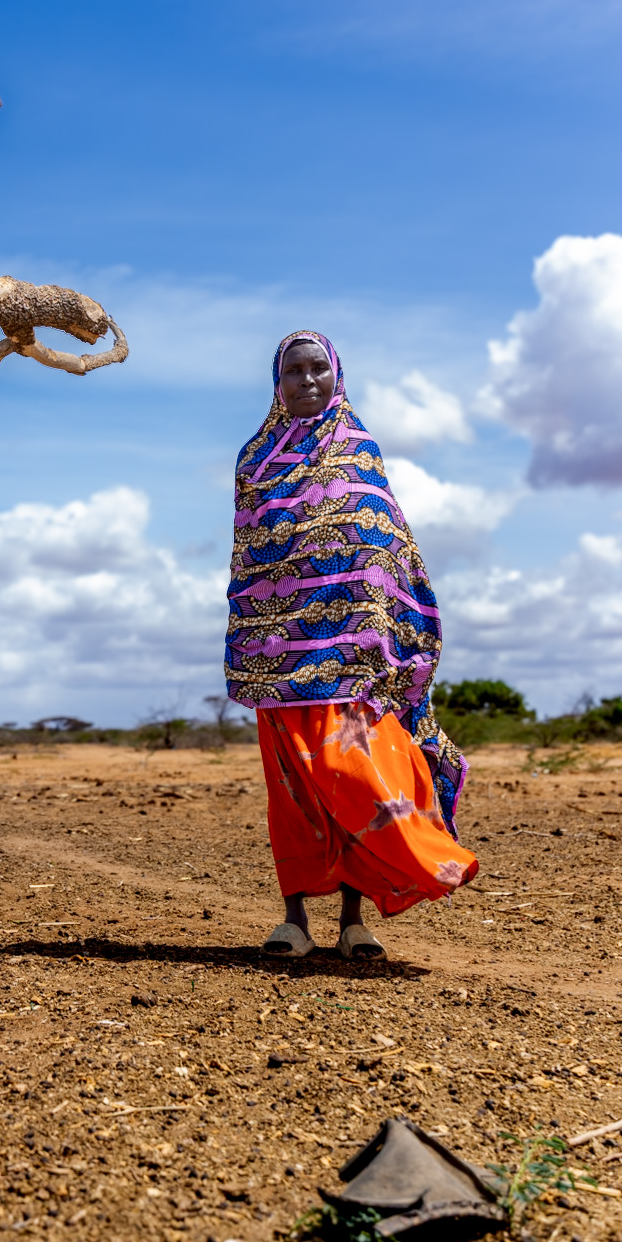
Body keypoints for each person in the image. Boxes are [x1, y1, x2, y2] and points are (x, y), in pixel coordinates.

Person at [225, 331, 477, 960]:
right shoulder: (254, 461)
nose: (307, 380)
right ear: (276, 382)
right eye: (294, 371)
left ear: (337, 374)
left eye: (318, 369)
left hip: (351, 655)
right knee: (293, 795)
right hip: (278, 659)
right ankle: (293, 922)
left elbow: (386, 546)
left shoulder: (360, 450)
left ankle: (353, 922)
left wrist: (382, 630)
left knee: (352, 780)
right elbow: (249, 556)